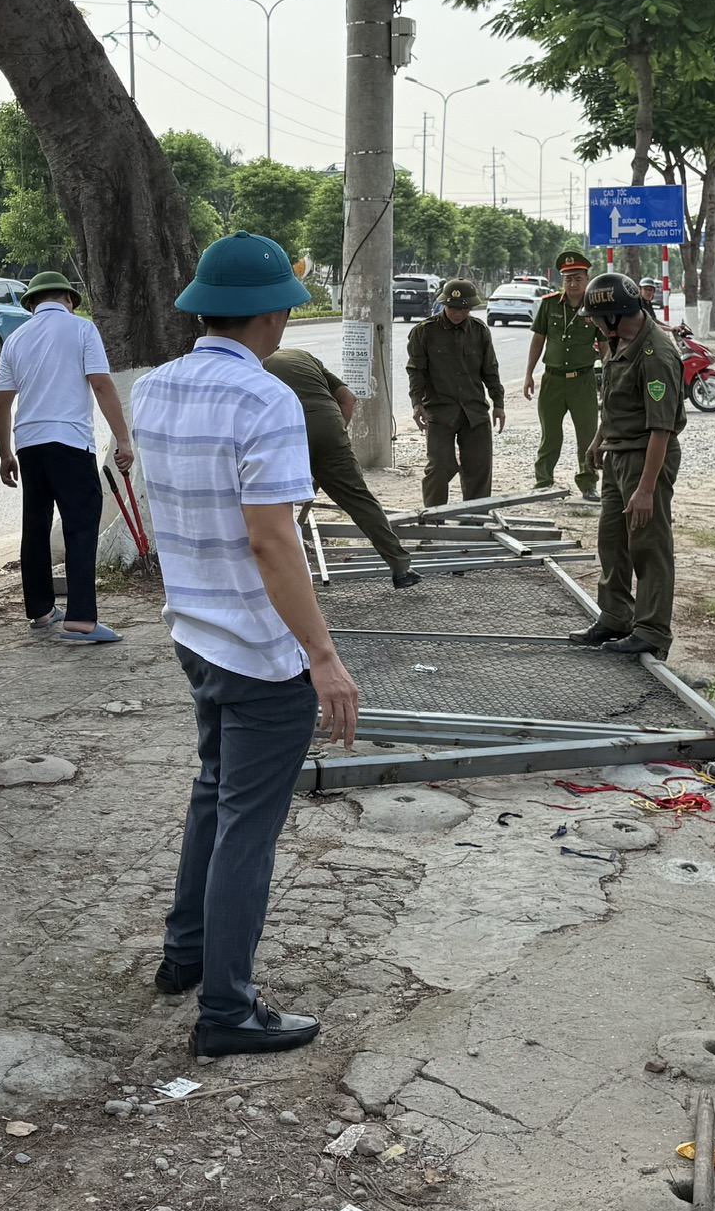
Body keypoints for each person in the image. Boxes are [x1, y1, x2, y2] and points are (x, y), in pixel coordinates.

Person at [133, 232, 360, 1058]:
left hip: (194, 631)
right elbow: (272, 540)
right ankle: (226, 1010)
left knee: (214, 793)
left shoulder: (155, 388)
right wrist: (323, 657)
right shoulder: (264, 400)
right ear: (271, 313)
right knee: (247, 828)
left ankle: (183, 956)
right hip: (261, 653)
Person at [0, 270, 134, 644]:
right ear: (69, 300)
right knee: (81, 524)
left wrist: (5, 454)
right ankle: (82, 619)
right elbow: (101, 384)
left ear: (32, 304)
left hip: (29, 444)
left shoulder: (15, 339)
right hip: (70, 441)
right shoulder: (82, 329)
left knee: (35, 526)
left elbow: (1, 404)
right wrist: (123, 439)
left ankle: (40, 611)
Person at [569, 271, 683, 658]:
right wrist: (599, 440)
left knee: (648, 545)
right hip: (618, 453)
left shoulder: (657, 356)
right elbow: (615, 401)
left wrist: (647, 489)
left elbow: (661, 428)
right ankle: (616, 616)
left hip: (645, 458)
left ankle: (651, 631)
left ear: (615, 314)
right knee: (612, 541)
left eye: (597, 318)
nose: (595, 325)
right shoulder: (617, 342)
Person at [263, 345, 420, 588]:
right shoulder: (304, 357)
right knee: (358, 498)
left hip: (289, 429)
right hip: (331, 425)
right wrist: (334, 438)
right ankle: (401, 567)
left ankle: (282, 573)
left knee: (273, 501)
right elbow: (348, 398)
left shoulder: (256, 363)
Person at [406, 277, 504, 506]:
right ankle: (434, 517)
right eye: (452, 308)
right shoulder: (424, 332)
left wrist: (498, 403)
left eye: (463, 309)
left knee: (479, 467)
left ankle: (474, 519)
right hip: (440, 411)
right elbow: (416, 370)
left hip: (474, 411)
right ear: (444, 305)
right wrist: (416, 403)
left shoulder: (479, 331)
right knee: (439, 467)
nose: (457, 313)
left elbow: (490, 369)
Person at [524, 249, 602, 499]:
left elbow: (607, 345)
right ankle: (544, 481)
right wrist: (528, 375)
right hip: (552, 380)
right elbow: (538, 340)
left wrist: (610, 376)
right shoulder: (549, 305)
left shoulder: (595, 308)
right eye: (568, 278)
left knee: (587, 434)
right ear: (562, 280)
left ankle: (588, 482)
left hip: (583, 380)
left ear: (587, 278)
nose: (573, 283)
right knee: (550, 434)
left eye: (578, 278)